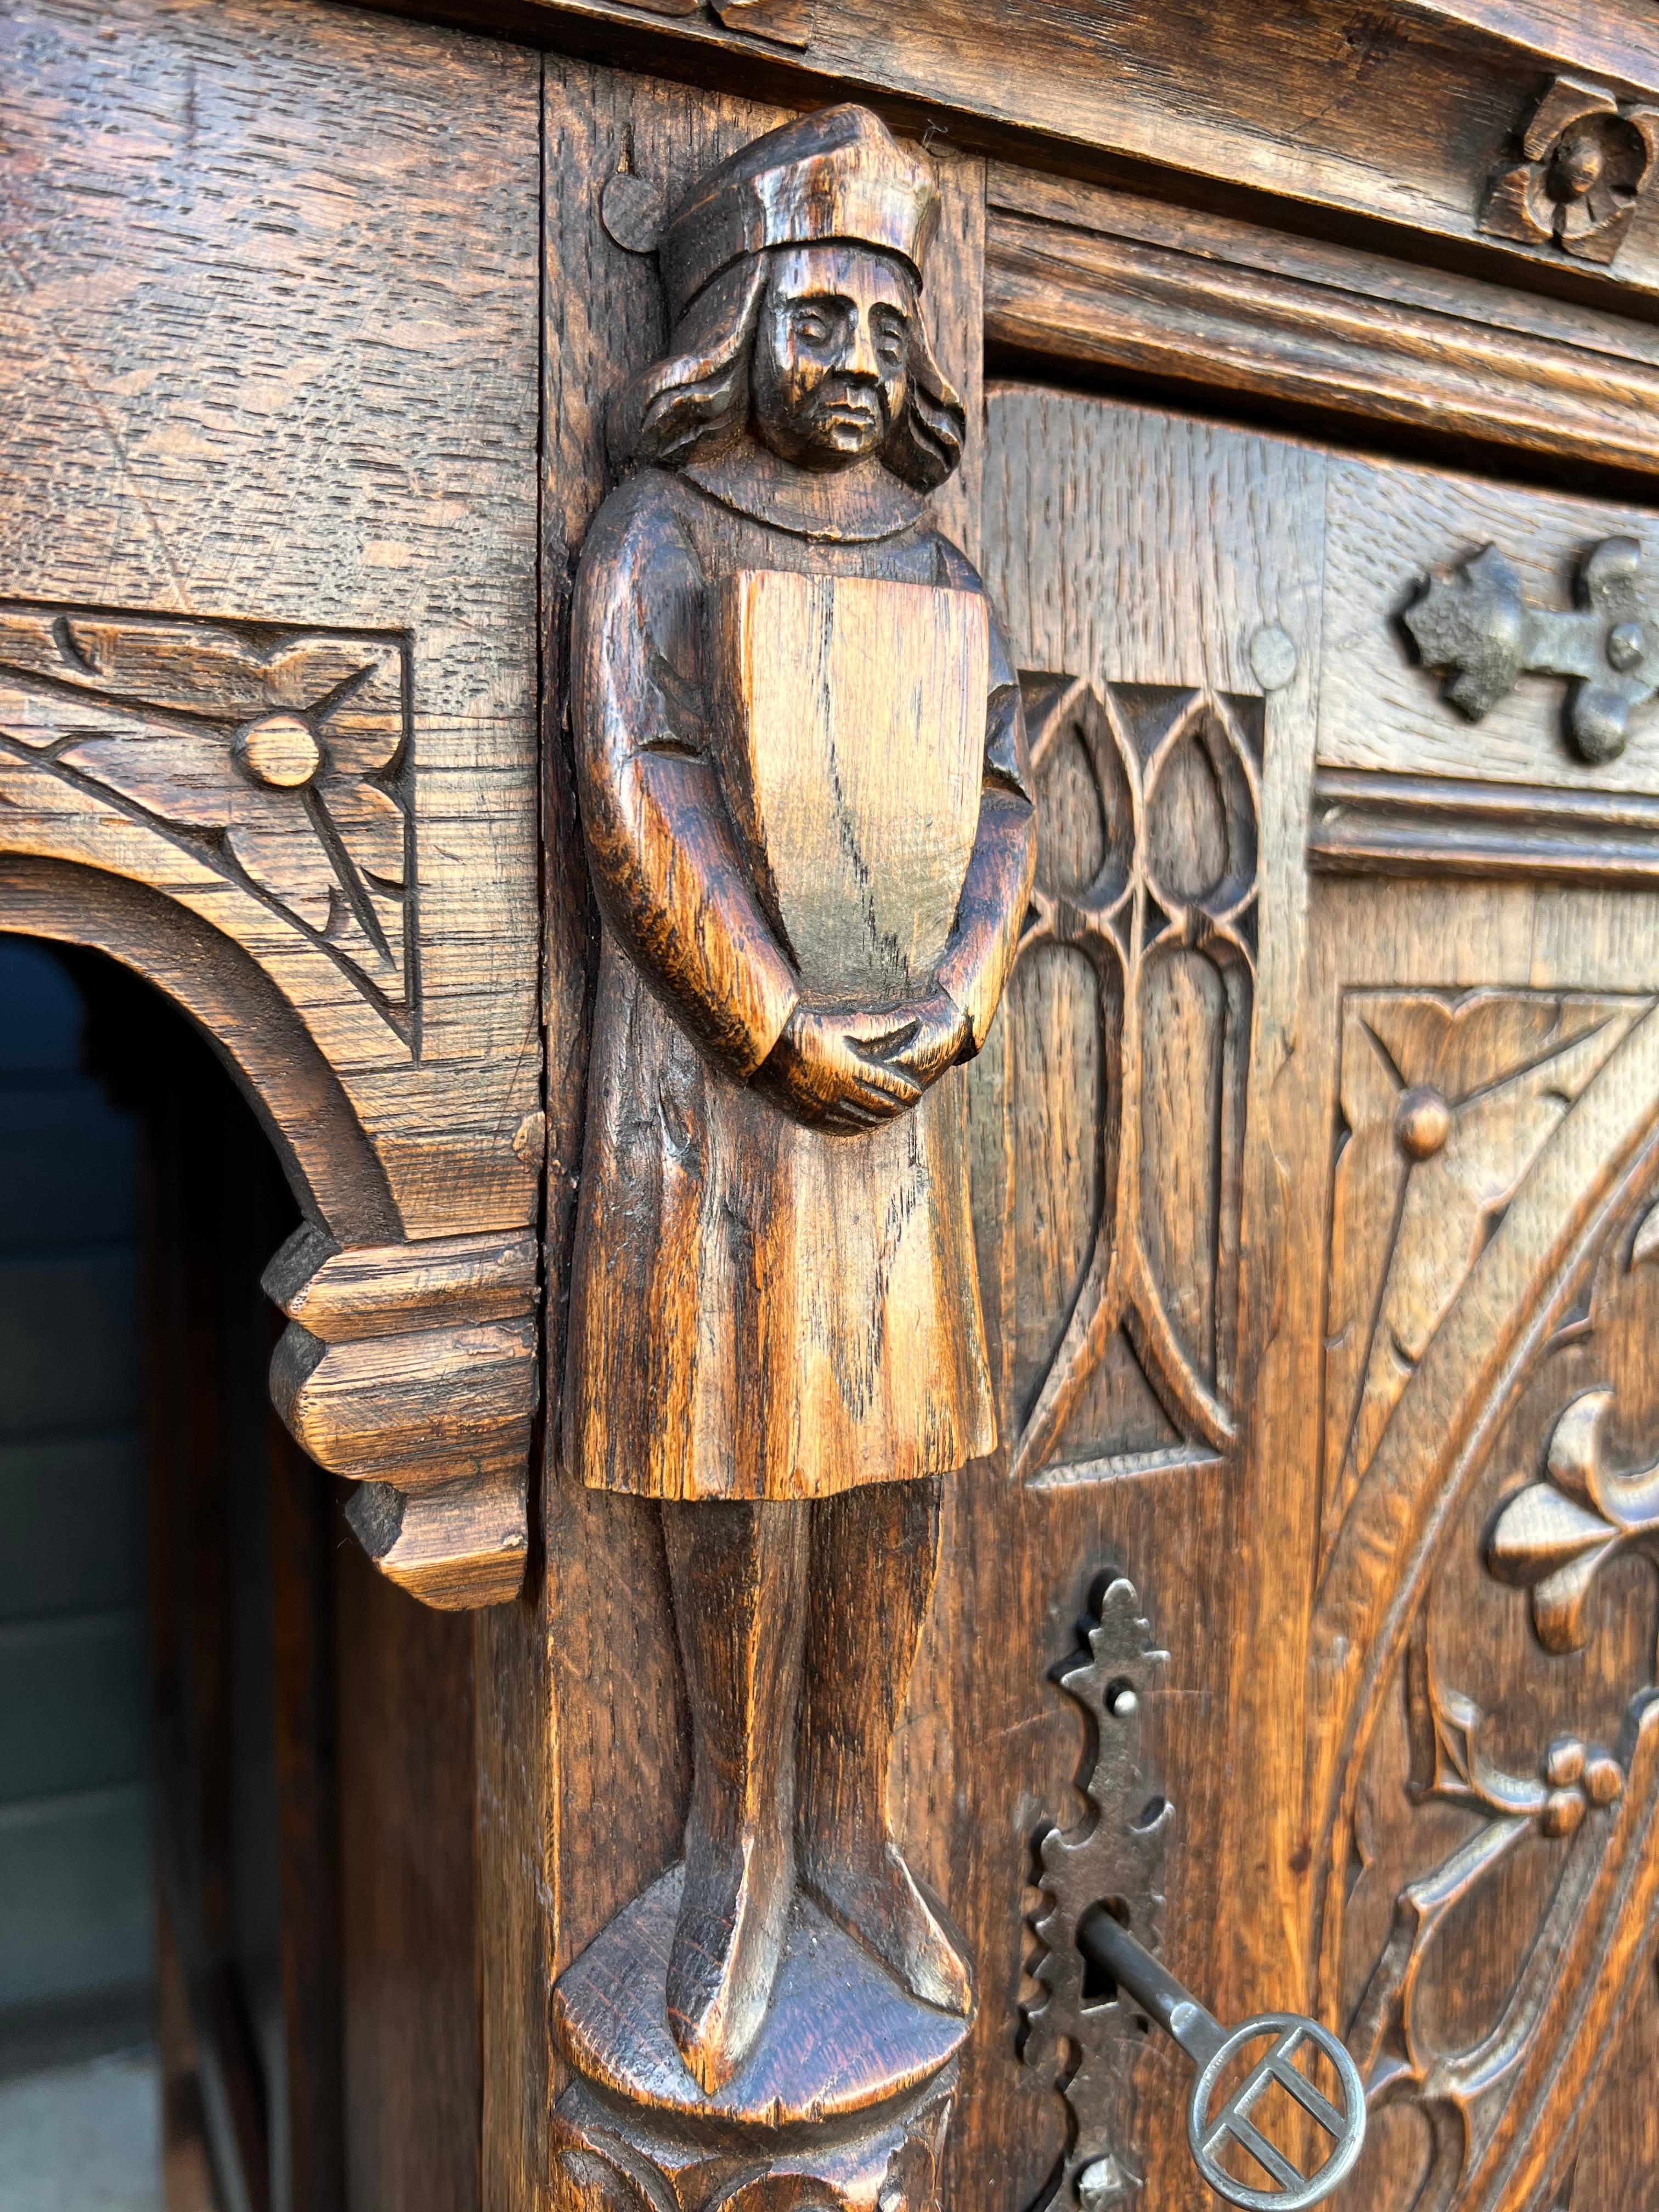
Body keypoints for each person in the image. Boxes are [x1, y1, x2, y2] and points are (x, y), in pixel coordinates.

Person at [565, 104, 1036, 2095]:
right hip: (727, 1111)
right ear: (733, 332)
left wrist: (965, 975)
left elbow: (1003, 791)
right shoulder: (655, 540)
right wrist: (772, 1022)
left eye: (880, 328)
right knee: (754, 1472)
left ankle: (858, 1820)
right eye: (815, 322)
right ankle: (736, 1856)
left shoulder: (931, 553)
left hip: (903, 1101)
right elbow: (638, 796)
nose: (851, 368)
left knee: (903, 1467)